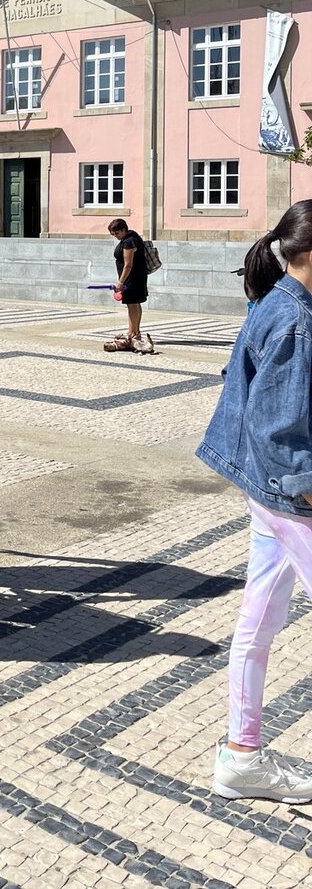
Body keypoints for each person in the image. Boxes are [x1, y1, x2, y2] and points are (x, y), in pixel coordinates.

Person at [196, 200, 312, 803]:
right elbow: (278, 428)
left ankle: (241, 756)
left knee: (258, 622)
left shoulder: (278, 304)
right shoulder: (294, 319)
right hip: (291, 497)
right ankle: (241, 757)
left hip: (269, 496)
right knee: (257, 623)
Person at [107, 218, 153, 353]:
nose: (115, 236)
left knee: (132, 305)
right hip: (136, 277)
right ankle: (134, 332)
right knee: (134, 304)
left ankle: (133, 334)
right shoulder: (132, 237)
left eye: (116, 233)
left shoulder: (129, 242)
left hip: (131, 278)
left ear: (123, 230)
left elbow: (128, 264)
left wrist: (120, 282)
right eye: (113, 234)